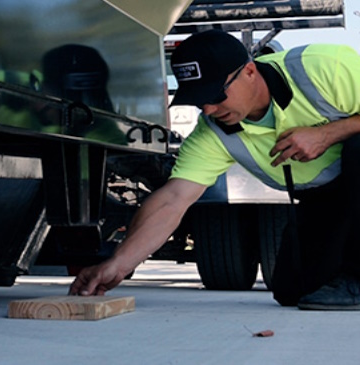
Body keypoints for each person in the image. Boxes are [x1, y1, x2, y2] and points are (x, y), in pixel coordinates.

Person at [69, 29, 360, 310]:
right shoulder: (213, 132)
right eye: (198, 99)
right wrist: (118, 264)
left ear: (248, 72)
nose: (207, 109)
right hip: (326, 197)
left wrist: (329, 133)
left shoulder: (323, 69)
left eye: (215, 95)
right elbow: (174, 199)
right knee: (293, 291)